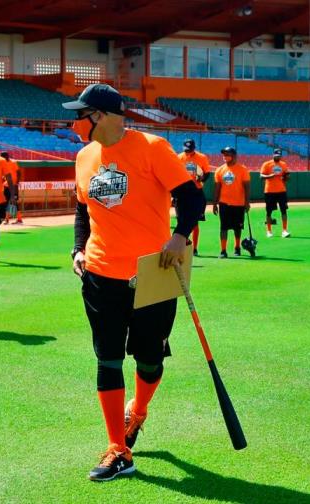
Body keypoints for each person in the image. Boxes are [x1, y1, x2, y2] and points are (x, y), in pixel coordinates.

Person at [63, 83, 205, 481]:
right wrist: (78, 249)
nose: (74, 123)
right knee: (107, 358)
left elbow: (192, 198)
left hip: (152, 274)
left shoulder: (152, 148)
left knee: (149, 358)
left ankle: (137, 412)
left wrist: (181, 236)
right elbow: (81, 209)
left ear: (102, 116)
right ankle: (118, 449)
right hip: (100, 273)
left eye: (80, 115)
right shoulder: (84, 156)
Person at [212, 147, 251, 258]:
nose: (225, 157)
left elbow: (247, 187)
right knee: (223, 227)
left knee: (237, 228)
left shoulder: (243, 169)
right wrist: (215, 204)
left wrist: (247, 203)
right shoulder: (219, 170)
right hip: (224, 203)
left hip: (239, 204)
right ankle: (223, 251)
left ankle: (237, 247)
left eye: (227, 154)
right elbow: (217, 188)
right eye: (224, 155)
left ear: (234, 156)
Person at [177, 138, 211, 256]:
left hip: (196, 192)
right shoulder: (179, 157)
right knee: (180, 221)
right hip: (182, 193)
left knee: (195, 222)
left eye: (190, 150)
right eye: (186, 150)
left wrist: (201, 178)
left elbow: (207, 174)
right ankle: (185, 243)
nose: (188, 152)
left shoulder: (202, 157)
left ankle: (194, 248)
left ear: (194, 149)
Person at [260, 148, 290, 238]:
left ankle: (284, 231)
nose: (278, 157)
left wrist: (286, 177)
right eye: (276, 155)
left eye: (279, 155)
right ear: (273, 155)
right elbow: (261, 176)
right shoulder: (267, 164)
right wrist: (270, 176)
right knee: (269, 212)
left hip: (281, 191)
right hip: (269, 191)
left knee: (284, 211)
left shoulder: (283, 164)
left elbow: (286, 176)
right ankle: (269, 231)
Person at [0, 151, 23, 225]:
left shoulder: (13, 162)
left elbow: (18, 172)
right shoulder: (2, 163)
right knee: (6, 202)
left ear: (5, 157)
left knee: (14, 202)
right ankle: (6, 220)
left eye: (1, 157)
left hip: (13, 185)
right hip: (6, 185)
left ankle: (19, 219)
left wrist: (17, 182)